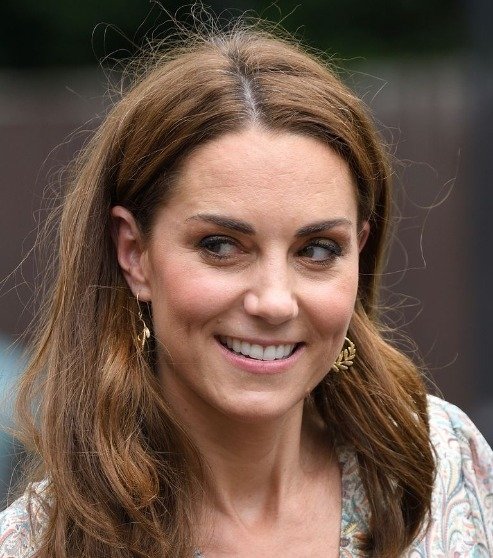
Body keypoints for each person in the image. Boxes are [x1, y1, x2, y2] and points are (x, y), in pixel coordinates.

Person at [0, 20, 492, 558]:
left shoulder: (442, 464)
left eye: (317, 250)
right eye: (221, 246)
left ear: (360, 251)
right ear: (134, 253)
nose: (274, 302)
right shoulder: (38, 545)